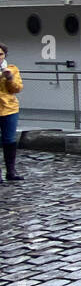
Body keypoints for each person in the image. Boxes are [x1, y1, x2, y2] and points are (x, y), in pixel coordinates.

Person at [0, 43, 23, 183]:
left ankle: (11, 171)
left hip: (9, 109)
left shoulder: (12, 69)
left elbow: (17, 88)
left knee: (9, 140)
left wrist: (9, 78)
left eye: (1, 54)